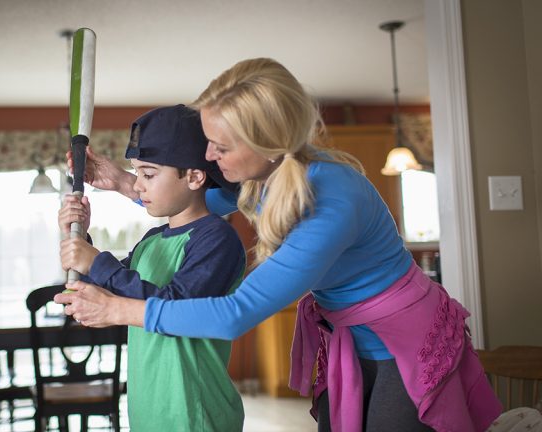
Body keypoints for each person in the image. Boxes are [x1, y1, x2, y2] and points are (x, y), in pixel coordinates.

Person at [56, 58, 502, 432]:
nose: (207, 157)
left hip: (405, 334)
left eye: (220, 146)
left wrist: (116, 309)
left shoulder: (331, 200)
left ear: (267, 144)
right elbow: (193, 196)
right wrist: (118, 180)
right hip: (346, 330)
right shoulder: (263, 175)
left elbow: (235, 314)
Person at [58, 104, 247, 431]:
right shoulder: (151, 239)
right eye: (137, 172)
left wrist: (95, 259)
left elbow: (174, 306)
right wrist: (79, 237)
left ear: (194, 176)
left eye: (148, 174)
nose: (138, 185)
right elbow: (110, 294)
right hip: (150, 409)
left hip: (194, 413)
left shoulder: (217, 239)